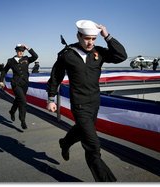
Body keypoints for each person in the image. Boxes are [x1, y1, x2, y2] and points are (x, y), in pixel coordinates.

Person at [46, 20, 127, 182]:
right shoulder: (67, 54)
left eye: (93, 39)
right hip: (79, 104)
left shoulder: (99, 52)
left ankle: (65, 142)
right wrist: (51, 98)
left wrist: (107, 35)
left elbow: (121, 56)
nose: (90, 42)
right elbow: (56, 76)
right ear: (78, 36)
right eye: (86, 38)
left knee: (81, 130)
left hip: (95, 103)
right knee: (93, 146)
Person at [0, 44, 38, 129]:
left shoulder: (26, 59)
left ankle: (12, 111)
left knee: (18, 99)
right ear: (16, 51)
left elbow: (35, 56)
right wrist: (1, 81)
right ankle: (22, 120)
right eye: (19, 51)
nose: (21, 52)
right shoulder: (10, 61)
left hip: (25, 83)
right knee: (23, 101)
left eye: (22, 51)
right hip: (16, 84)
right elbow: (4, 70)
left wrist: (28, 48)